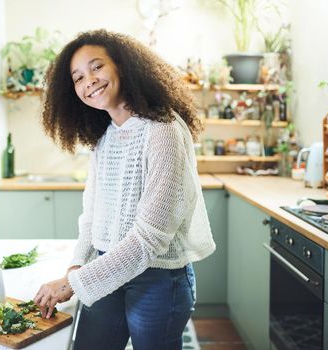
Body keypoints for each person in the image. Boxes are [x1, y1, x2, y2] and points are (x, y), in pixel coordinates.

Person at [33, 29, 216, 350]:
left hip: (159, 280)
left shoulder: (164, 130)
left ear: (123, 66)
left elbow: (151, 238)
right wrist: (77, 265)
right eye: (77, 77)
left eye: (96, 67)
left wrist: (71, 284)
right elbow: (92, 216)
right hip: (107, 270)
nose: (88, 80)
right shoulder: (105, 138)